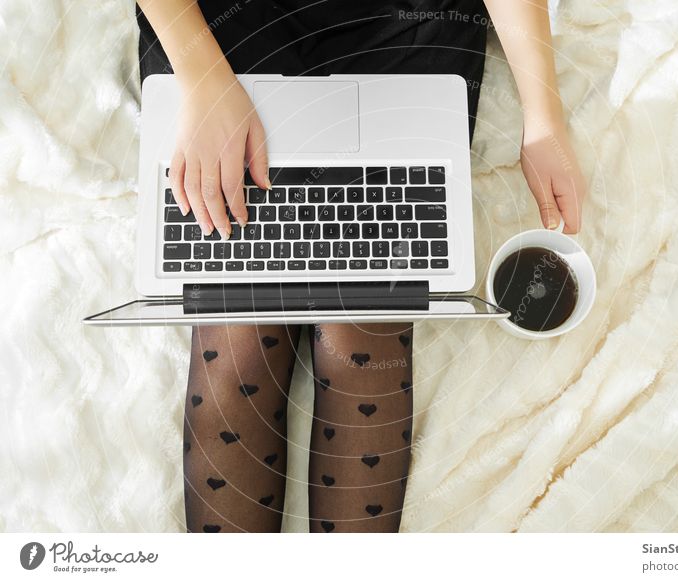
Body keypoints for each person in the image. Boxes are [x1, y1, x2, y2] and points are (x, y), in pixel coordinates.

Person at [136, 0, 586, 533]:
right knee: (241, 336)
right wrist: (204, 79)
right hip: (225, 30)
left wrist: (543, 118)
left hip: (407, 27)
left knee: (360, 340)